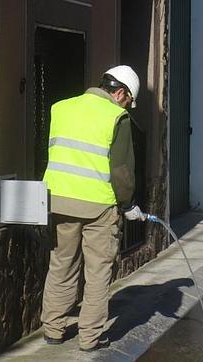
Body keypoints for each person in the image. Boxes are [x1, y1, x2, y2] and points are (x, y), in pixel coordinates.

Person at [40, 65, 147, 352]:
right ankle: (90, 338)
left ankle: (53, 329)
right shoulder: (116, 116)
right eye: (129, 101)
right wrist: (128, 205)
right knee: (98, 271)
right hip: (98, 205)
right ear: (121, 93)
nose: (128, 106)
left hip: (58, 199)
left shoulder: (61, 108)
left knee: (62, 264)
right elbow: (122, 170)